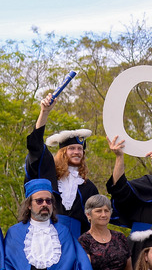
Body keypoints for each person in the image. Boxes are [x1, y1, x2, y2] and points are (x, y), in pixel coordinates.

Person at [25, 93, 98, 240]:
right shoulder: (48, 175)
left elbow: (97, 221)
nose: (77, 152)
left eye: (80, 149)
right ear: (62, 152)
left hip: (76, 241)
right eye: (72, 148)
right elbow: (36, 147)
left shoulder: (88, 187)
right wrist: (44, 112)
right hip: (46, 236)